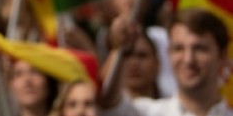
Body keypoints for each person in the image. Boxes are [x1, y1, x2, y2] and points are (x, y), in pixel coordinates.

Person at [99, 8, 232, 116]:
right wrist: (118, 49)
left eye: (199, 49)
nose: (188, 59)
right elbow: (108, 101)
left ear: (222, 55)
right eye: (178, 49)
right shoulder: (145, 112)